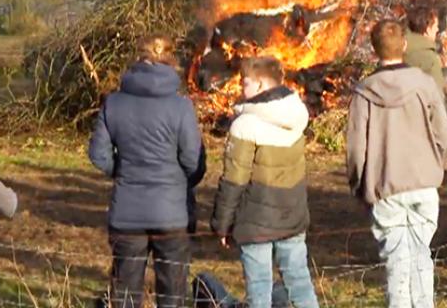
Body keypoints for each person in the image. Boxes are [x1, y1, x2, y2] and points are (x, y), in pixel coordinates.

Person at [89, 35, 206, 308]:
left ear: (137, 60)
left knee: (126, 295)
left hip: (127, 213)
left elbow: (98, 154)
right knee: (173, 295)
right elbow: (192, 159)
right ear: (170, 62)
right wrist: (179, 183)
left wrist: (123, 172)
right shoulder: (181, 106)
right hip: (172, 214)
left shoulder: (114, 103)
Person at [346, 19, 447, 307]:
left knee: (396, 261)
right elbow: (444, 133)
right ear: (404, 45)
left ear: (374, 50)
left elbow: (357, 148)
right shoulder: (424, 84)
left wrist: (359, 184)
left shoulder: (364, 91)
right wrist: (434, 165)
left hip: (386, 187)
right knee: (421, 256)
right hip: (423, 183)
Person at [212, 56, 320, 308]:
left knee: (259, 290)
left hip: (255, 221)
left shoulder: (245, 125)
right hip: (292, 216)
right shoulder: (296, 116)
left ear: (260, 85)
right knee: (300, 283)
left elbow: (234, 180)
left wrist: (222, 224)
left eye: (245, 82)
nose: (240, 87)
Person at [403, 5, 445, 95]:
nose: (437, 29)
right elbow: (437, 98)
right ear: (427, 29)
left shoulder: (395, 50)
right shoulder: (430, 59)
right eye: (435, 26)